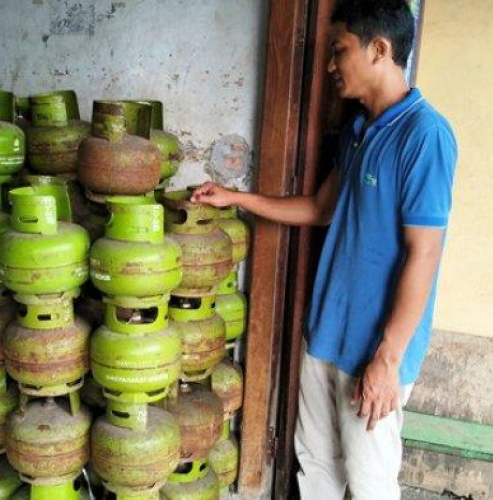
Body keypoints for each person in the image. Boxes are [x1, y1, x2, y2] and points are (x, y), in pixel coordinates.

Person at [191, 0, 457, 498]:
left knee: (370, 481)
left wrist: (387, 359)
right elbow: (319, 208)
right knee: (316, 469)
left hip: (373, 351)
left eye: (340, 51)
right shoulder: (359, 130)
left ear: (380, 49)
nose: (332, 65)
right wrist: (235, 197)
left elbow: (424, 253)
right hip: (328, 333)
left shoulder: (425, 136)